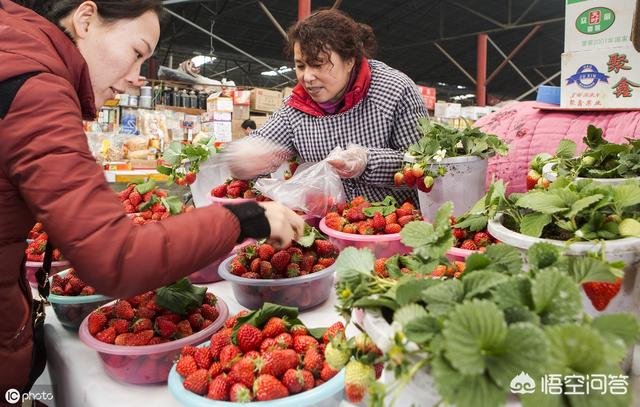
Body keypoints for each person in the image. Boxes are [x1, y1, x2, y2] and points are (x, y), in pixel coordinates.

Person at [0, 0, 303, 394]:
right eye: (137, 53)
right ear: (86, 19)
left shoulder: (16, 60)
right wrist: (246, 218)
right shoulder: (35, 88)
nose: (135, 76)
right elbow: (115, 257)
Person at [224, 9, 428, 203]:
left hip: (397, 227)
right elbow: (267, 141)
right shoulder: (295, 106)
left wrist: (367, 161)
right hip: (327, 223)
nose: (307, 77)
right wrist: (248, 154)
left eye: (318, 64)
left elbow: (424, 165)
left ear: (349, 61)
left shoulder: (395, 90)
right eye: (300, 66)